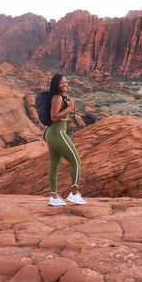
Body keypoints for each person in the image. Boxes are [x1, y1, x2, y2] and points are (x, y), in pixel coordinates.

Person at [44, 73, 86, 206]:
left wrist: (66, 109)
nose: (65, 84)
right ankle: (74, 194)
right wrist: (69, 107)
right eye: (62, 82)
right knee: (76, 161)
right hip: (57, 133)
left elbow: (58, 117)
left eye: (66, 82)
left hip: (51, 133)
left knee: (54, 166)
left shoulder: (59, 97)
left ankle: (54, 197)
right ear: (56, 84)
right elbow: (54, 117)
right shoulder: (57, 98)